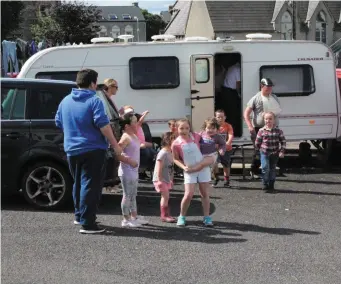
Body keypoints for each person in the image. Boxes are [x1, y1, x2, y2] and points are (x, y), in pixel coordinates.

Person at [55, 69, 121, 234]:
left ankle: (80, 216)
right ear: (92, 83)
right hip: (93, 148)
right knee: (90, 185)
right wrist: (115, 144)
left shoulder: (65, 101)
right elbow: (103, 125)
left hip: (72, 149)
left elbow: (58, 122)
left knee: (78, 183)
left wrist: (73, 132)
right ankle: (88, 224)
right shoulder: (94, 100)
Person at [171, 118, 214, 227]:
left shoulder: (196, 136)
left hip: (203, 168)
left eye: (187, 128)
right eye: (181, 128)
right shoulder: (175, 143)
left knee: (204, 193)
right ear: (177, 128)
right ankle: (181, 216)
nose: (184, 130)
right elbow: (175, 159)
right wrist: (183, 167)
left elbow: (208, 138)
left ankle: (207, 217)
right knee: (188, 194)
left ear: (190, 128)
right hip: (189, 170)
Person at [243, 78, 283, 179]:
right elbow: (246, 113)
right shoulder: (256, 98)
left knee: (273, 149)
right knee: (258, 149)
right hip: (259, 129)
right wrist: (250, 126)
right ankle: (254, 170)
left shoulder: (274, 97)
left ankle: (269, 170)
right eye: (267, 87)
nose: (269, 89)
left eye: (270, 87)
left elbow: (278, 110)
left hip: (273, 129)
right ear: (262, 86)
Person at [117, 112, 149, 227]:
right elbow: (117, 153)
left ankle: (134, 217)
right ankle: (125, 220)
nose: (137, 124)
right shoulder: (125, 137)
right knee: (127, 195)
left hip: (133, 171)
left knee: (133, 194)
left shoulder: (133, 135)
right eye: (134, 122)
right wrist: (129, 160)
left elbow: (133, 148)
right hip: (127, 171)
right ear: (126, 126)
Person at [254, 112, 286, 193]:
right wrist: (257, 152)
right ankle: (265, 183)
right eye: (266, 119)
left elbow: (283, 142)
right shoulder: (261, 131)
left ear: (274, 120)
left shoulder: (278, 131)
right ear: (264, 120)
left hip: (274, 153)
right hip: (264, 152)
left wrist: (282, 151)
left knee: (272, 169)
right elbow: (257, 142)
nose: (268, 121)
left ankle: (271, 184)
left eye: (270, 119)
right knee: (265, 168)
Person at [153, 132, 177, 223]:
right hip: (161, 179)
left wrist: (171, 179)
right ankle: (164, 216)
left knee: (166, 197)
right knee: (165, 196)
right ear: (168, 141)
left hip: (166, 179)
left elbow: (171, 168)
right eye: (174, 139)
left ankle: (167, 214)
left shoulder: (170, 152)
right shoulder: (163, 153)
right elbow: (159, 167)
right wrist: (159, 180)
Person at [212, 109, 234, 188]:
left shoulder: (228, 126)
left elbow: (231, 134)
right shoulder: (213, 126)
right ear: (215, 118)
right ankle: (216, 178)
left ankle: (226, 180)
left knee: (226, 165)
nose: (220, 118)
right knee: (214, 164)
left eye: (222, 117)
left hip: (226, 149)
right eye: (218, 117)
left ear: (225, 117)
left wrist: (228, 142)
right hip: (215, 149)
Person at [222, 61, 241, 136]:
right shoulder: (237, 69)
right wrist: (239, 93)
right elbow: (238, 83)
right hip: (230, 92)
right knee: (233, 113)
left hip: (225, 91)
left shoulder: (231, 67)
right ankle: (233, 132)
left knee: (228, 112)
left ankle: (228, 131)